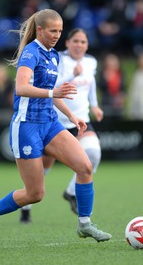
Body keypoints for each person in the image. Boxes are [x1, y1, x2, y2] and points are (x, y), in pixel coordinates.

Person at [0, 9, 112, 243]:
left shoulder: (54, 55)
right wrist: (53, 92)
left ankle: (85, 224)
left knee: (84, 167)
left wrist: (71, 116)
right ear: (39, 30)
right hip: (27, 127)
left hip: (49, 123)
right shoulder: (31, 53)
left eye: (60, 31)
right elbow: (20, 88)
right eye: (53, 31)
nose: (57, 35)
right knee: (35, 194)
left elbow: (55, 94)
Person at [19, 28, 104, 223]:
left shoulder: (91, 62)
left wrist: (96, 106)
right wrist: (71, 76)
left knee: (93, 154)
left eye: (83, 42)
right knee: (41, 171)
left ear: (87, 45)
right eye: (75, 41)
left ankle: (71, 192)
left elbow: (90, 84)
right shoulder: (58, 59)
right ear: (67, 43)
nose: (79, 45)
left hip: (80, 119)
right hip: (55, 123)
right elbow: (50, 87)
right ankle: (26, 207)